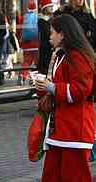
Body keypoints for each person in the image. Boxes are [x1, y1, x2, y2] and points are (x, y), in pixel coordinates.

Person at [35, 14, 96, 182]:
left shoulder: (77, 56)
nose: (50, 36)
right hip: (61, 128)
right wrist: (42, 87)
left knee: (74, 176)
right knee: (51, 175)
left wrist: (50, 87)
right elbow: (58, 88)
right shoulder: (62, 55)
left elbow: (80, 90)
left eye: (53, 32)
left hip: (75, 128)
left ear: (63, 34)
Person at [18, 0, 39, 85]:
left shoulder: (23, 18)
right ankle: (34, 79)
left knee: (26, 62)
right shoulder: (38, 17)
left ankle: (23, 75)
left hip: (26, 44)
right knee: (37, 62)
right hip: (36, 43)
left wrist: (20, 43)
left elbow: (19, 31)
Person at [37, 0, 58, 74]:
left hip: (49, 47)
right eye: (49, 6)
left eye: (52, 6)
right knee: (43, 68)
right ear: (45, 8)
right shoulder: (42, 21)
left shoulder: (51, 19)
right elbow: (47, 34)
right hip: (44, 47)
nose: (52, 7)